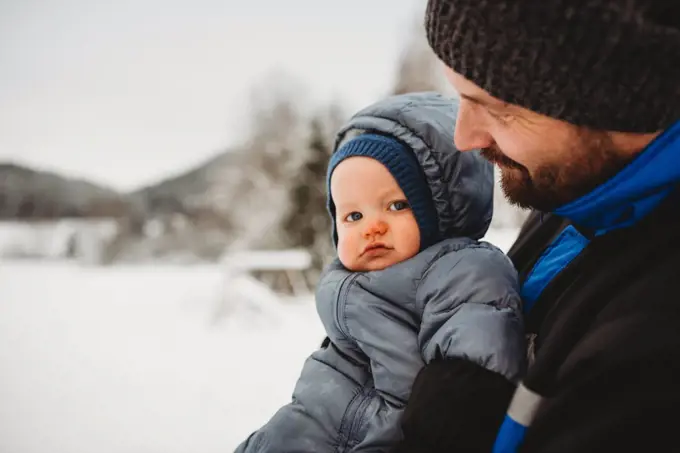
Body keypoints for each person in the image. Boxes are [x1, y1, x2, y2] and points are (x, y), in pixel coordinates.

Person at [392, 2, 680, 452]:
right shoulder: (580, 195)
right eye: (461, 98)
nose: (465, 138)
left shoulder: (654, 354)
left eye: (499, 108)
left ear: (623, 101)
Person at [235, 92, 526, 452]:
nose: (372, 227)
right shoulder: (351, 279)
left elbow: (477, 358)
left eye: (396, 205)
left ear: (439, 208)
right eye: (353, 216)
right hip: (315, 420)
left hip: (382, 434)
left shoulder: (460, 270)